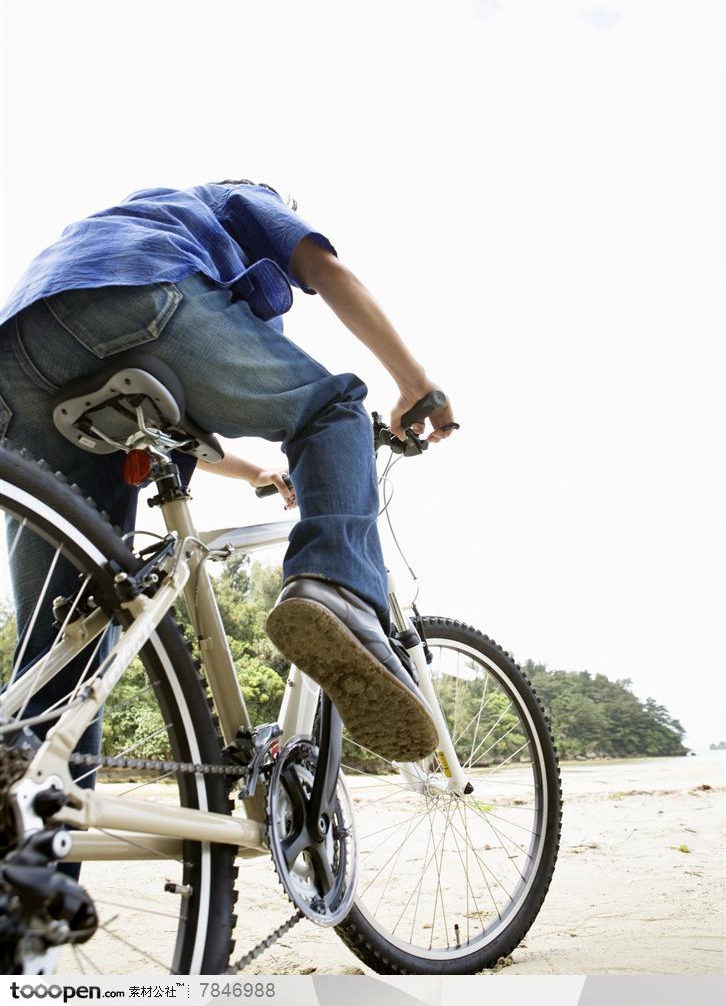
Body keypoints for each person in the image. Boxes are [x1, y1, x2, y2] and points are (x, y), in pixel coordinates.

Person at [0, 179, 457, 764]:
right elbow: (327, 273)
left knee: (68, 638)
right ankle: (336, 587)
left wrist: (254, 473)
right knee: (332, 408)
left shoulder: (130, 219)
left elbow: (189, 420)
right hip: (133, 293)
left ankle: (35, 831)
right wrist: (416, 384)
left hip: (18, 360)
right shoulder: (237, 197)